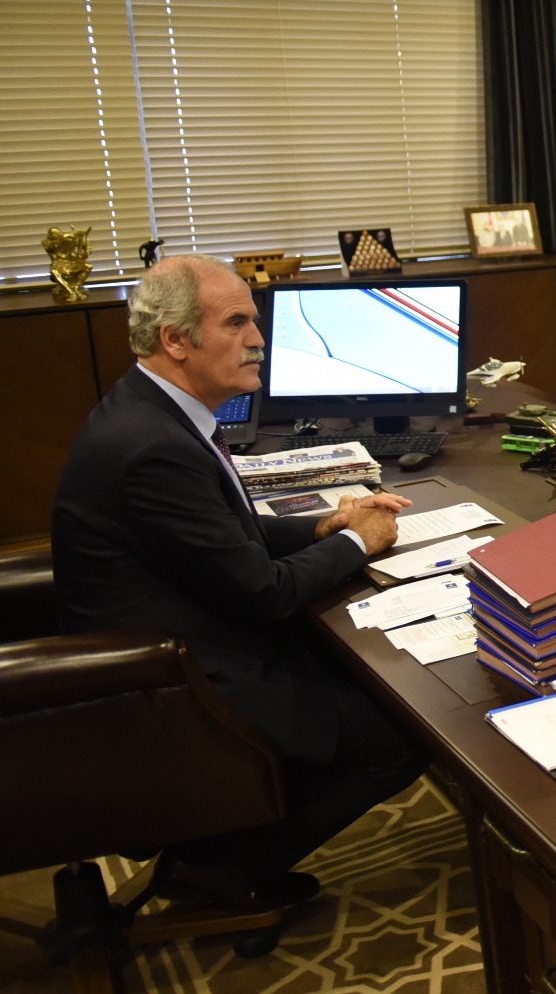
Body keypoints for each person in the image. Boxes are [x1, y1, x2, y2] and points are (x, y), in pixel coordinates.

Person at [51, 255, 428, 912]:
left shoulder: (151, 409)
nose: (258, 338)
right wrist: (355, 541)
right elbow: (264, 592)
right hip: (175, 681)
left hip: (186, 637)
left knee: (374, 671)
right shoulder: (152, 447)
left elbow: (222, 536)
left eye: (254, 320)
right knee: (402, 728)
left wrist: (322, 527)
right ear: (175, 338)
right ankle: (216, 868)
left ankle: (232, 834)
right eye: (236, 323)